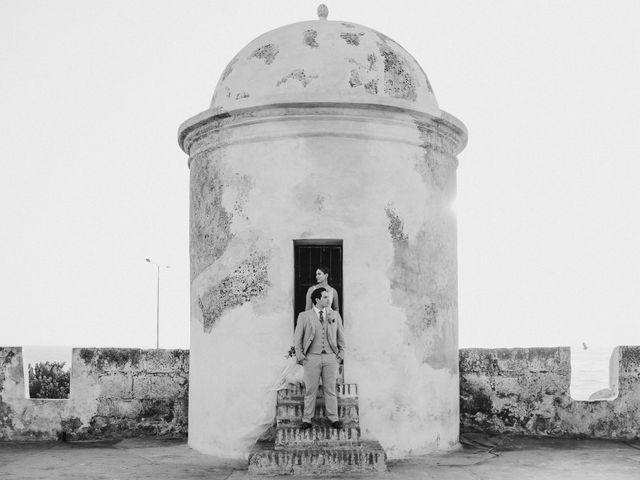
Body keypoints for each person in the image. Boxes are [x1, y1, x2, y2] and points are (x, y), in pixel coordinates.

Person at [294, 287, 345, 430]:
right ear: (317, 299)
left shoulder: (334, 314)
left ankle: (334, 419)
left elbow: (341, 336)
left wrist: (341, 354)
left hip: (330, 357)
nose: (328, 299)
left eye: (328, 297)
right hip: (311, 358)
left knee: (330, 389)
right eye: (325, 297)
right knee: (311, 390)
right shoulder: (304, 316)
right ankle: (307, 419)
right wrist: (300, 356)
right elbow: (297, 338)